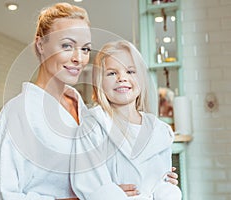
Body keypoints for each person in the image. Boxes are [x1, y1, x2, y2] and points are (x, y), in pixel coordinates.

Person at [0, 3, 178, 199]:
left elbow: (105, 173)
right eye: (67, 45)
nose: (79, 58)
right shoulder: (18, 113)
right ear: (41, 45)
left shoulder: (85, 110)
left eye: (85, 49)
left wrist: (154, 178)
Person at [70, 40, 182, 200]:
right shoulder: (93, 126)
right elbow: (88, 182)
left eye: (130, 71)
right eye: (111, 73)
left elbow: (162, 181)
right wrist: (110, 194)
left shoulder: (160, 131)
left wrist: (167, 189)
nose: (122, 78)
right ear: (99, 82)